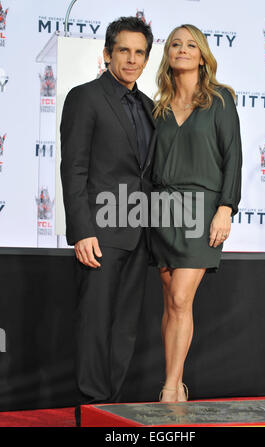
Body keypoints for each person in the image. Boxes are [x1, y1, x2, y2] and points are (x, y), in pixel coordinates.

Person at [60, 17, 156, 408]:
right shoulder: (84, 97)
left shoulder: (150, 106)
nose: (131, 60)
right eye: (124, 51)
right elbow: (74, 169)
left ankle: (110, 408)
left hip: (138, 234)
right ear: (107, 53)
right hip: (98, 233)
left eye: (139, 53)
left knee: (124, 329)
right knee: (95, 326)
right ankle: (89, 407)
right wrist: (82, 230)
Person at [151, 24, 242, 403]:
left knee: (180, 299)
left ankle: (171, 386)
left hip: (202, 209)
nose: (183, 50)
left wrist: (226, 207)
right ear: (168, 55)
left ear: (203, 55)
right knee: (171, 299)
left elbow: (233, 157)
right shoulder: (156, 108)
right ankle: (176, 381)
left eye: (191, 45)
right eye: (176, 44)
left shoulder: (220, 100)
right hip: (161, 211)